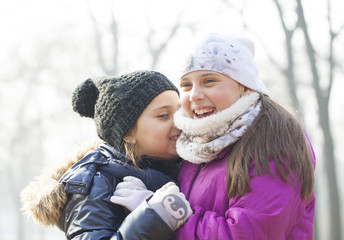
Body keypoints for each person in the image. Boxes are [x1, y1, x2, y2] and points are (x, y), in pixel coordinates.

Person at [113, 33, 316, 239]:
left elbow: (245, 234)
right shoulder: (193, 144)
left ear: (245, 86)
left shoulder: (273, 141)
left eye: (209, 81)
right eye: (186, 85)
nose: (194, 95)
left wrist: (162, 213)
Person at [20, 70, 192, 239]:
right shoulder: (98, 183)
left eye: (179, 112)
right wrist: (151, 218)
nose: (178, 122)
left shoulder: (185, 166)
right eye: (163, 115)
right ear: (128, 133)